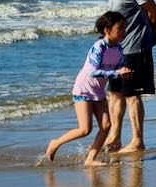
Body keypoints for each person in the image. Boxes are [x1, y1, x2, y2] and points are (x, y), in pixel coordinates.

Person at [85, 0, 156, 154]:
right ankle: (114, 138)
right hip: (118, 48)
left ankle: (137, 140)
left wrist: (155, 31)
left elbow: (152, 9)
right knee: (115, 94)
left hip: (135, 47)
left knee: (132, 94)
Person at [42, 11, 125, 166]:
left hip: (98, 91)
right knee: (85, 129)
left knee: (106, 125)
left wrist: (126, 72)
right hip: (84, 90)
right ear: (107, 30)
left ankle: (90, 159)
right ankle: (55, 143)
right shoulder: (99, 47)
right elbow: (93, 72)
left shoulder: (119, 49)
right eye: (120, 28)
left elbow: (120, 67)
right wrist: (117, 73)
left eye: (124, 28)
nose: (123, 32)